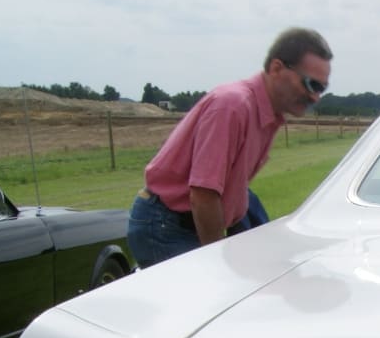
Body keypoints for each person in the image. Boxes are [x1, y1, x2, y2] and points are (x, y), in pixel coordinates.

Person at [127, 27, 333, 267]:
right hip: (167, 226)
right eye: (311, 84)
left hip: (187, 222)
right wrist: (216, 263)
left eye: (322, 89)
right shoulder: (232, 106)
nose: (316, 97)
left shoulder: (268, 115)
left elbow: (233, 188)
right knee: (210, 298)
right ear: (277, 68)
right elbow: (203, 195)